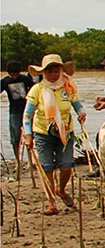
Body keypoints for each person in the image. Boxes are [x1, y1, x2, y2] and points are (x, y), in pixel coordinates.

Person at [22, 54, 85, 215]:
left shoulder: (68, 87)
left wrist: (81, 113)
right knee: (47, 168)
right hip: (42, 133)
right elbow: (27, 115)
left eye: (55, 70)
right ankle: (51, 203)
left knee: (66, 166)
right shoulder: (37, 89)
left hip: (65, 132)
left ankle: (61, 190)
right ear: (43, 73)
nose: (52, 74)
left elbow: (77, 105)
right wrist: (28, 135)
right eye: (49, 71)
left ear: (61, 70)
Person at [4, 61, 35, 164]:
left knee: (30, 134)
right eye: (12, 74)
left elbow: (34, 89)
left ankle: (31, 158)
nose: (14, 77)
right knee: (15, 136)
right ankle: (17, 160)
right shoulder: (5, 81)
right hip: (14, 111)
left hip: (27, 110)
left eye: (16, 74)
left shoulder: (24, 79)